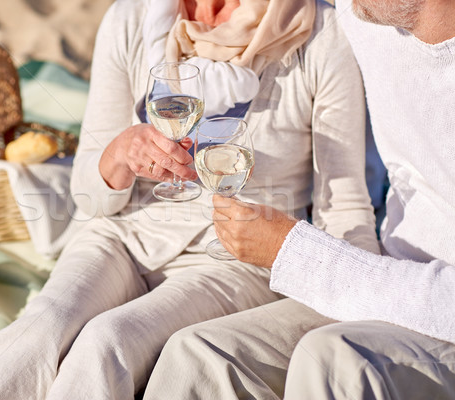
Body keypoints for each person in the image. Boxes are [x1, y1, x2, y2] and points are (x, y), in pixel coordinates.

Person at [0, 0, 379, 398]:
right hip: (123, 232)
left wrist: (369, 296)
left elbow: (344, 206)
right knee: (42, 327)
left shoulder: (321, 36)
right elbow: (89, 197)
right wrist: (119, 156)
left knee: (109, 341)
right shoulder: (131, 19)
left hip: (234, 258)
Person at [143, 0, 455, 399]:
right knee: (197, 355)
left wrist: (295, 253)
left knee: (331, 359)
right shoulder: (371, 17)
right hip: (389, 279)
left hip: (435, 314)